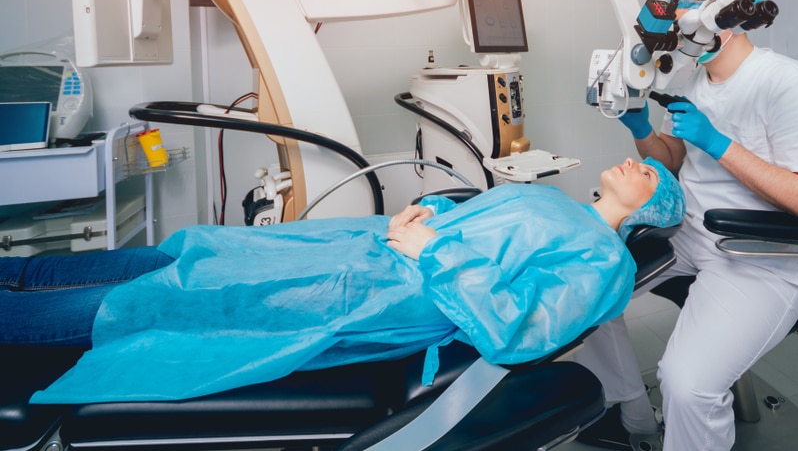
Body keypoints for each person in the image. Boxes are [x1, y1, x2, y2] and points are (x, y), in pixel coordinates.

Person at [0, 157, 683, 405]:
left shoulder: (606, 264)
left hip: (387, 291)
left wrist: (429, 254)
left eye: (648, 173)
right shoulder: (564, 203)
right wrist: (433, 212)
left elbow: (514, 330)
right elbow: (483, 225)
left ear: (649, 208)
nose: (633, 161)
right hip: (365, 247)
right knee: (180, 255)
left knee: (161, 301)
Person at [575, 0, 798, 451]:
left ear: (722, 15)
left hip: (760, 252)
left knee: (687, 385)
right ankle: (637, 422)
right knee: (584, 289)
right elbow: (672, 159)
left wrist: (718, 141)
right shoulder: (689, 80)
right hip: (687, 234)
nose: (679, 34)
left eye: (684, 18)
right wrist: (640, 127)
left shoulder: (790, 83)